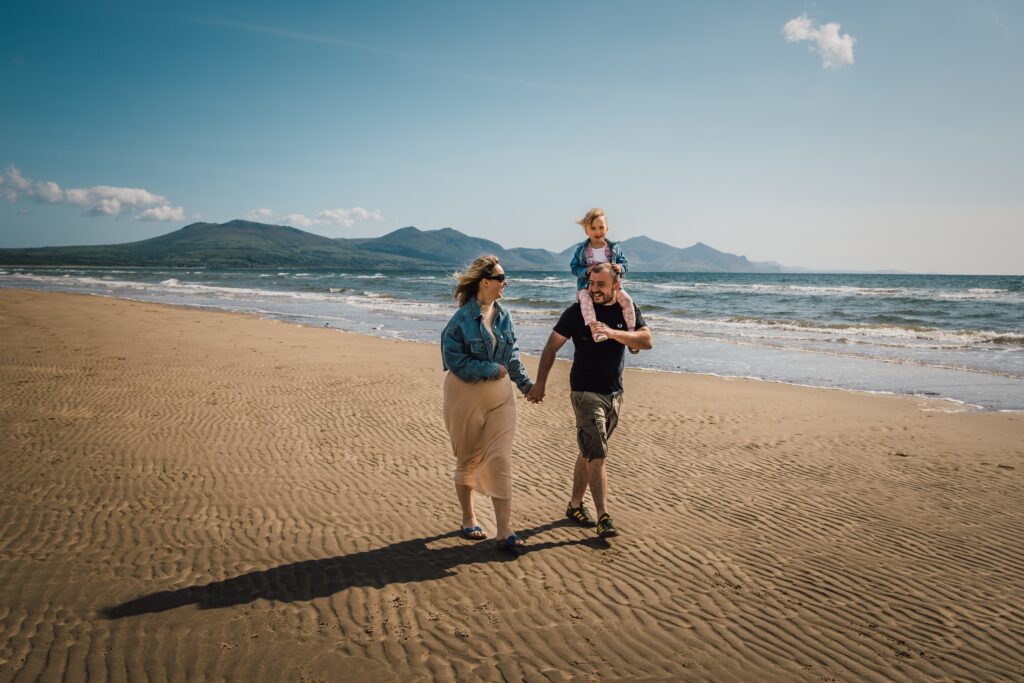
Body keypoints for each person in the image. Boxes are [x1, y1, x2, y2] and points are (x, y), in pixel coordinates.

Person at [526, 263, 652, 538]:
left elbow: (646, 340)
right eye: (591, 284)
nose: (594, 289)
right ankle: (603, 516)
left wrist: (612, 333)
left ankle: (574, 505)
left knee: (588, 451)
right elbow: (551, 346)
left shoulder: (625, 311)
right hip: (584, 392)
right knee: (598, 455)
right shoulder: (576, 314)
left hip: (614, 393)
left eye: (601, 285)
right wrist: (540, 383)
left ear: (615, 286)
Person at [441, 255, 534, 550]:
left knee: (501, 459)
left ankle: (505, 531)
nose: (505, 283)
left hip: (501, 399)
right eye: (501, 278)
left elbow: (513, 355)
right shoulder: (460, 320)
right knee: (468, 460)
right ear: (485, 282)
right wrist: (489, 369)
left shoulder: (504, 316)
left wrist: (526, 385)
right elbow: (452, 359)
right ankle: (468, 519)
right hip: (464, 397)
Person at [569, 208, 637, 352]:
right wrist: (585, 271)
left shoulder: (614, 248)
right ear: (586, 231)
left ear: (607, 229)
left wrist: (620, 267)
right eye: (593, 228)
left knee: (627, 300)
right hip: (587, 287)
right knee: (585, 301)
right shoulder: (582, 250)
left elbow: (625, 264)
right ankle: (596, 330)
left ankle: (631, 333)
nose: (597, 231)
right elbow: (574, 268)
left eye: (601, 227)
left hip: (612, 288)